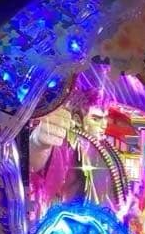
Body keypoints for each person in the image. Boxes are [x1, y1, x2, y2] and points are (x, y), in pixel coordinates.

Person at [29, 83, 130, 217]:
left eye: (105, 118)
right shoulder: (68, 142)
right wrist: (39, 143)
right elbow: (38, 163)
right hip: (70, 222)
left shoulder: (104, 146)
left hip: (104, 222)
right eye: (96, 119)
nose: (104, 125)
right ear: (77, 119)